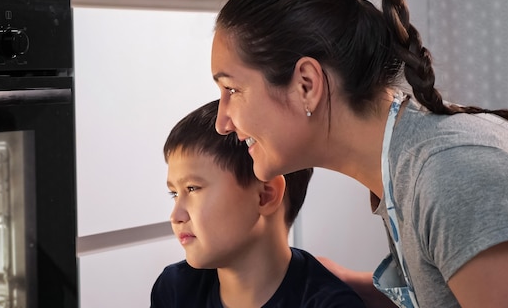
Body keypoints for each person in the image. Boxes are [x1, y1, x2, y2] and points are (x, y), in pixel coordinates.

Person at [209, 0, 508, 308]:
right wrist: (343, 283)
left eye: (232, 89)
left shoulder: (450, 177)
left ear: (306, 85)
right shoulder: (403, 165)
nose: (222, 122)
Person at [150, 100, 366, 307]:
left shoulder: (331, 303)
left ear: (266, 195)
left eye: (192, 188)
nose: (176, 215)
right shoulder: (174, 289)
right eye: (174, 194)